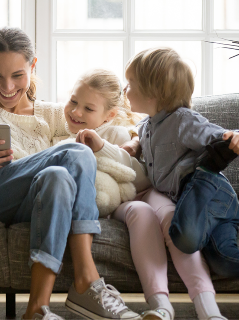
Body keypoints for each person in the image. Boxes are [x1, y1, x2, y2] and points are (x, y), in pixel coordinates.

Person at [0, 27, 142, 320]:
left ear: (33, 66)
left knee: (58, 177)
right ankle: (87, 280)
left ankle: (37, 309)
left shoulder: (53, 114)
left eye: (18, 75)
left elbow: (103, 122)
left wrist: (137, 139)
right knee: (75, 153)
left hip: (31, 203)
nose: (7, 87)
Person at [123, 47, 239, 319]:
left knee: (183, 238)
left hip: (209, 194)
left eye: (131, 85)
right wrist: (132, 147)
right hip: (205, 208)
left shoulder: (183, 120)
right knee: (224, 261)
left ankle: (208, 169)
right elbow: (141, 145)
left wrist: (237, 137)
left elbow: (218, 136)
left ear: (153, 93)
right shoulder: (145, 126)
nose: (125, 89)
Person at [55, 68, 226, 320]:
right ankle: (160, 304)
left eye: (88, 109)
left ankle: (209, 309)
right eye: (73, 101)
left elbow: (141, 175)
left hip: (147, 190)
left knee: (171, 218)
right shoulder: (62, 139)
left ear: (109, 115)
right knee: (142, 212)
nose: (76, 112)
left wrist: (103, 148)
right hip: (122, 202)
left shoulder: (119, 133)